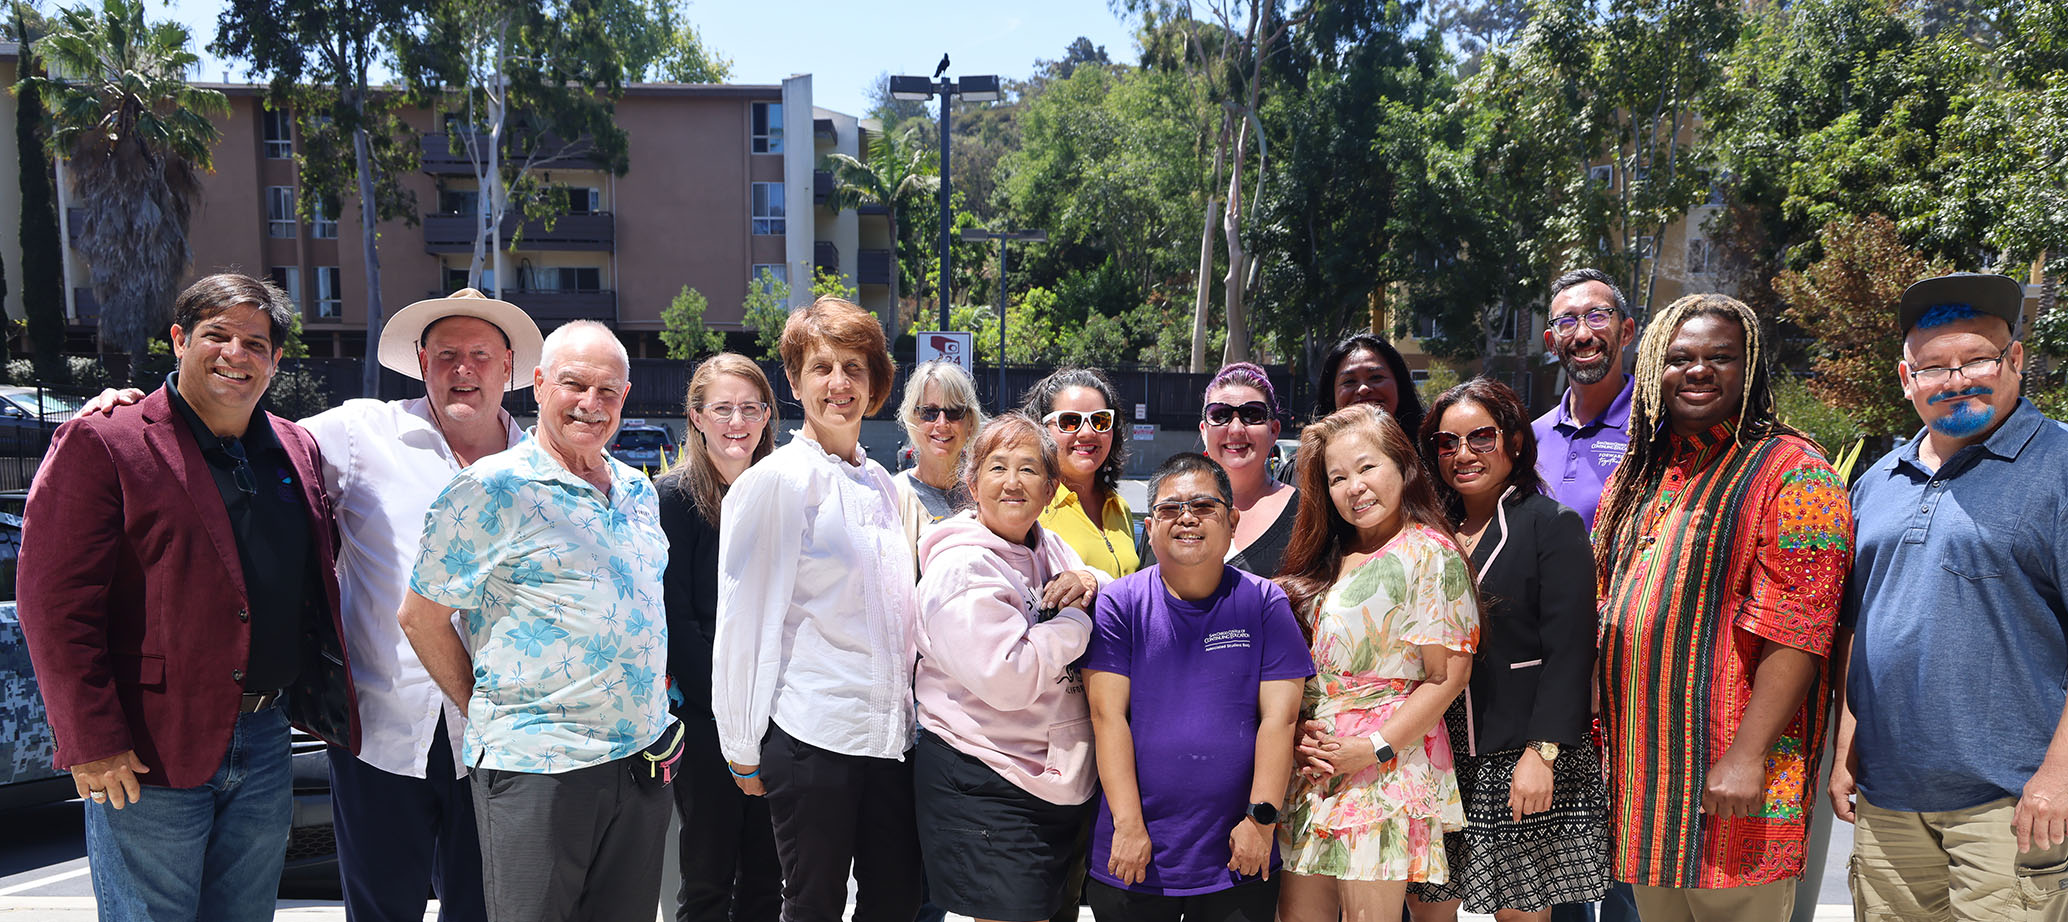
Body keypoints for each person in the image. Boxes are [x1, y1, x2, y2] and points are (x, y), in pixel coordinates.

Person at [70, 287, 538, 921]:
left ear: (508, 366)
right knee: (378, 909)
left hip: (500, 735)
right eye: (446, 353)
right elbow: (227, 423)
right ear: (421, 361)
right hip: (379, 730)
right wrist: (134, 406)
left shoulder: (544, 463)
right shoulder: (356, 434)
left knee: (489, 909)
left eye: (480, 354)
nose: (463, 368)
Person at [18, 273, 359, 922]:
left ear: (277, 358)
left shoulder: (295, 447)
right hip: (147, 749)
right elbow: (53, 601)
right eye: (217, 336)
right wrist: (89, 737)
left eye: (256, 343)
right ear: (179, 340)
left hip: (264, 737)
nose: (237, 354)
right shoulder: (107, 439)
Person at [398, 320, 674, 922]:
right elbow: (421, 618)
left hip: (638, 762)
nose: (590, 404)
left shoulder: (635, 489)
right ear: (540, 385)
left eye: (607, 391)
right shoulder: (490, 489)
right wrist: (489, 713)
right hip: (537, 767)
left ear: (625, 397)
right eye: (574, 385)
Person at [1592, 294, 1852, 922]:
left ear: (1751, 367)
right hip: (1647, 782)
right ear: (1655, 369)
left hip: (1736, 785)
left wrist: (1746, 755)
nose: (1699, 370)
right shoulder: (1641, 472)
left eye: (1720, 357)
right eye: (1680, 358)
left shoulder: (1796, 473)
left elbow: (1800, 630)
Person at [1831, 272, 2068, 919]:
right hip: (1889, 806)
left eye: (1978, 360)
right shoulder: (1878, 482)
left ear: (2015, 360)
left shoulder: (2060, 467)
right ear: (1907, 379)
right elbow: (1862, 623)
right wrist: (1849, 747)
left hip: (2011, 807)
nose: (1956, 379)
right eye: (1934, 366)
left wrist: (2058, 777)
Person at [713, 297, 923, 922]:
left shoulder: (883, 482)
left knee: (896, 900)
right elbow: (744, 620)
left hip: (889, 739)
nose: (839, 384)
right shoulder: (776, 481)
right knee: (814, 904)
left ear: (876, 381)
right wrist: (741, 741)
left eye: (854, 368)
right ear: (795, 382)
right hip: (813, 735)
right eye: (822, 367)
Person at [1407, 379, 1609, 921]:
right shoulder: (1427, 532)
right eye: (1447, 444)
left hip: (1518, 752)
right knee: (1429, 905)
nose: (1463, 454)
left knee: (1520, 913)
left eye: (1481, 437)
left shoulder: (1552, 524)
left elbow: (1571, 651)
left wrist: (1542, 754)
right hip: (1435, 755)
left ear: (1515, 441)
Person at [1082, 452, 1312, 922]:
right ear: (1150, 528)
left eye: (1204, 506)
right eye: (1170, 508)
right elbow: (1107, 718)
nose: (1186, 517)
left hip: (1237, 851)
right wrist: (1127, 826)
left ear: (1231, 521)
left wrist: (1260, 820)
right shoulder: (1119, 604)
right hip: (1135, 851)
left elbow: (1280, 719)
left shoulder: (1264, 602)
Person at [1274, 403, 1479, 922]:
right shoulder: (1328, 552)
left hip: (1384, 768)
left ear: (1402, 466)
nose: (1354, 487)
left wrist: (1370, 749)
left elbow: (1447, 677)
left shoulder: (1430, 552)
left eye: (1366, 467)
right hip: (1315, 767)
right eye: (1337, 477)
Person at [913, 412, 1105, 922]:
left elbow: (1099, 579)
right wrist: (1075, 619)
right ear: (972, 484)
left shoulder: (1047, 544)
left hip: (1055, 778)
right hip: (988, 777)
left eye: (1028, 469)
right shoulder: (960, 567)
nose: (1013, 482)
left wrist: (1087, 578)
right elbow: (1008, 676)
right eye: (997, 468)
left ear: (1051, 488)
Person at [655, 354, 782, 922]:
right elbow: (676, 620)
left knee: (767, 878)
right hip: (708, 720)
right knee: (707, 880)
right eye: (723, 408)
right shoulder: (673, 498)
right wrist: (731, 708)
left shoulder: (781, 492)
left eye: (750, 408)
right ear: (696, 417)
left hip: (779, 713)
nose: (738, 422)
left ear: (767, 417)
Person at [1141, 362, 1299, 577]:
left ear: (1273, 430)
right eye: (1220, 414)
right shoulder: (1166, 507)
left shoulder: (1304, 514)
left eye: (1252, 414)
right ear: (1204, 431)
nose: (1235, 429)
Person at [1531, 269, 1638, 531]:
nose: (1582, 335)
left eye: (1597, 316)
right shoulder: (1532, 437)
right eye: (1566, 322)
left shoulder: (1655, 429)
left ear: (1626, 331)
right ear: (1552, 343)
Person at [1024, 368, 1138, 579]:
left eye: (1100, 420)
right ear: (1041, 429)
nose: (1087, 432)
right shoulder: (1030, 510)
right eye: (1069, 421)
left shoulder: (1119, 507)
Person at [896, 359, 987, 552]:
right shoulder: (892, 497)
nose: (942, 423)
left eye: (954, 412)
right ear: (912, 418)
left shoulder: (986, 495)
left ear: (970, 423)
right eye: (929, 412)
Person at [1315, 333, 1425, 437]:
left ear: (1399, 384)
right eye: (1349, 381)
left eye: (1376, 377)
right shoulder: (1317, 455)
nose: (1363, 389)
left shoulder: (1432, 450)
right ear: (1331, 394)